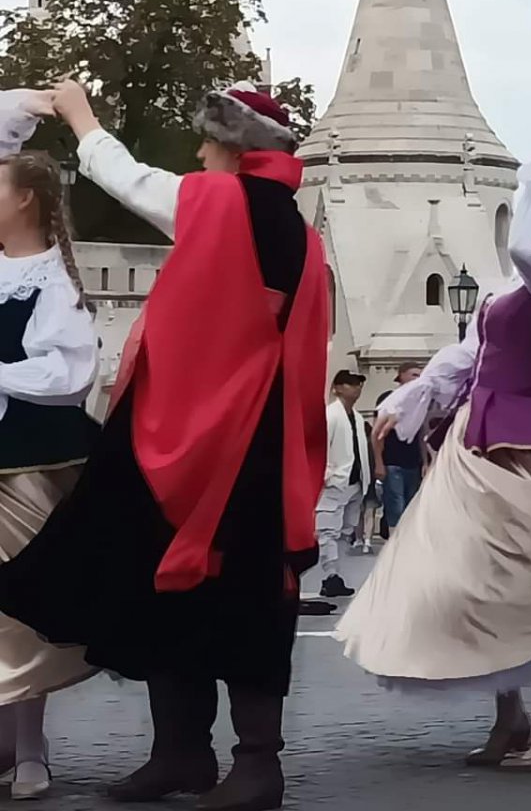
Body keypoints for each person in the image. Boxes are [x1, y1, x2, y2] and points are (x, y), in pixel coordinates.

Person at [0, 81, 330, 811]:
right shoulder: (295, 229)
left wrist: (83, 118)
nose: (199, 154)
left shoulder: (226, 203)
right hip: (249, 430)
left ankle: (245, 763)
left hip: (206, 436)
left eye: (208, 142)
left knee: (229, 590)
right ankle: (185, 753)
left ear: (234, 148)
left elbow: (133, 182)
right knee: (198, 589)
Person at [337, 139, 531, 773]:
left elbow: (524, 249)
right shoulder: (508, 289)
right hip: (479, 436)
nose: (526, 217)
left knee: (518, 583)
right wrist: (412, 395)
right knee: (478, 578)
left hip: (519, 437)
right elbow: (468, 354)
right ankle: (512, 717)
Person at [0, 96, 99, 802]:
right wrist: (25, 107)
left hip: (27, 463)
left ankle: (30, 748)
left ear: (25, 200)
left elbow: (68, 375)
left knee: (20, 606)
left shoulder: (54, 283)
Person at [315, 371, 369, 600]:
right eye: (351, 384)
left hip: (354, 482)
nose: (356, 389)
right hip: (336, 481)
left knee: (347, 530)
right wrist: (328, 475)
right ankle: (330, 575)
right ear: (337, 388)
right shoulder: (331, 415)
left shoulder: (357, 418)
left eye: (358, 385)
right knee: (328, 529)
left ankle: (337, 574)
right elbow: (321, 448)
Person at [369, 363, 424, 536]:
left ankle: (406, 539)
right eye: (414, 375)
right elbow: (377, 434)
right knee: (395, 505)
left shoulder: (419, 403)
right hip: (392, 462)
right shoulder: (389, 400)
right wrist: (379, 461)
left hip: (413, 462)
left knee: (411, 506)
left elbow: (422, 434)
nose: (417, 379)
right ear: (401, 376)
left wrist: (425, 461)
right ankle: (393, 539)